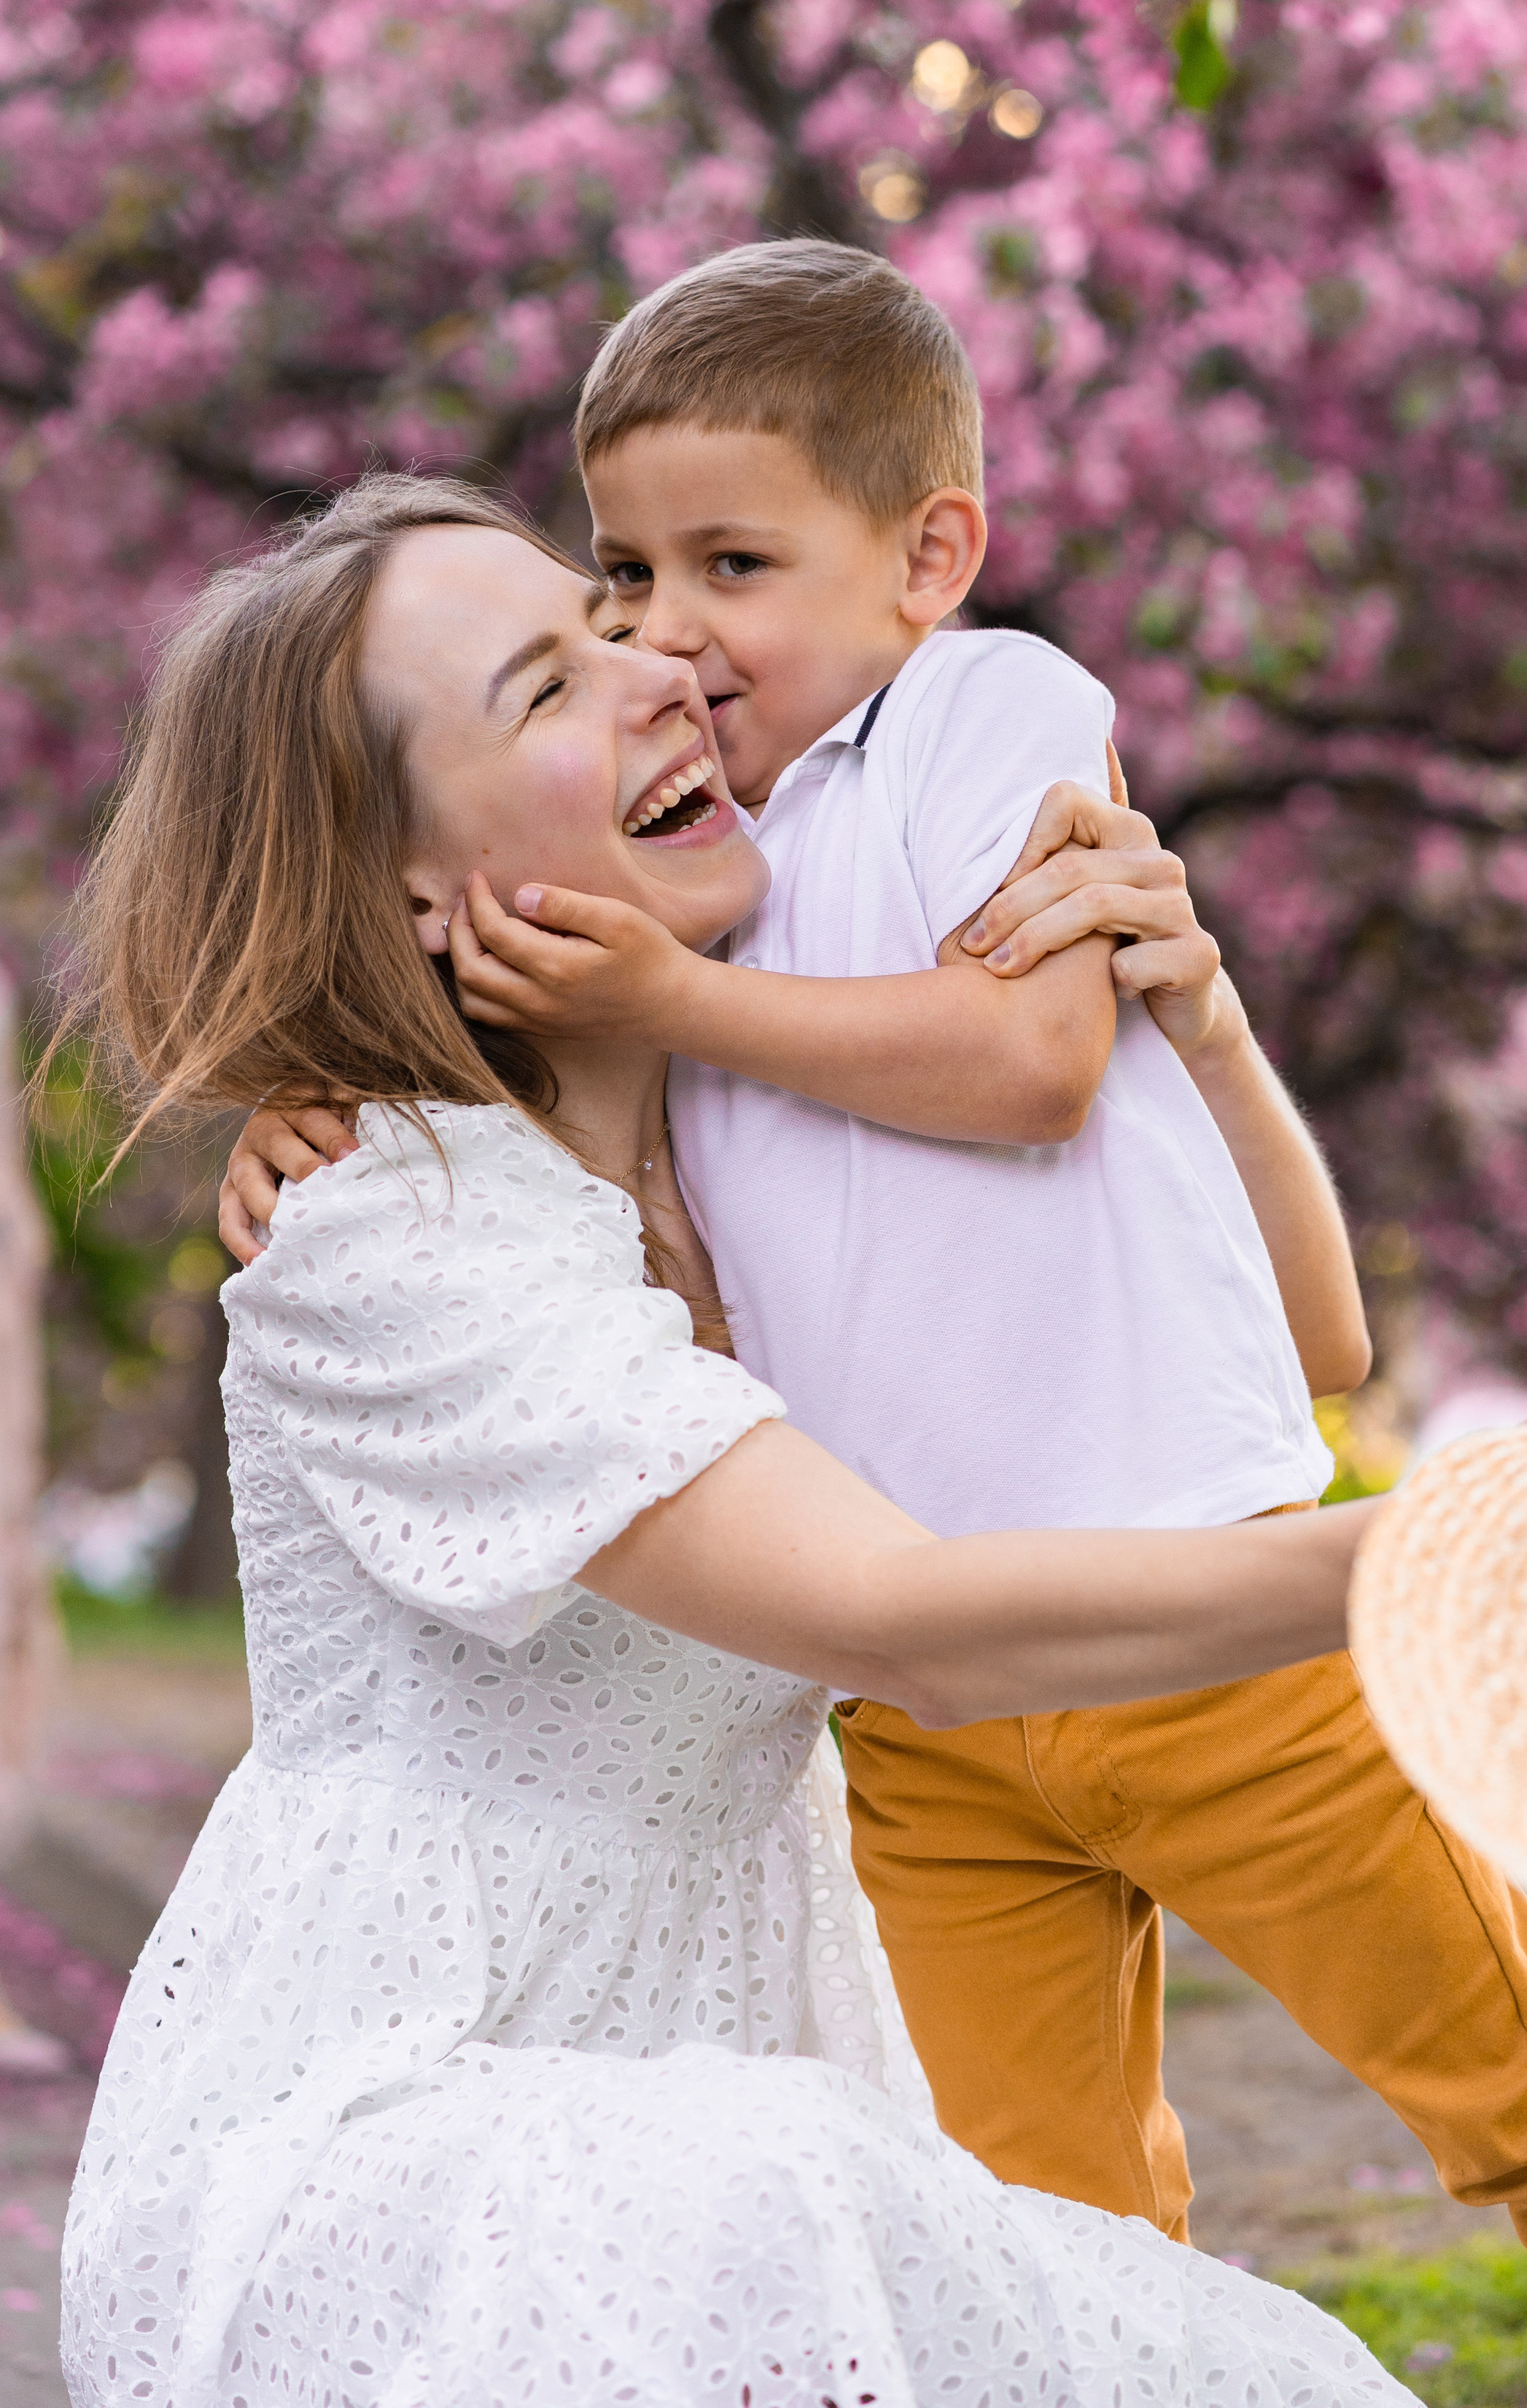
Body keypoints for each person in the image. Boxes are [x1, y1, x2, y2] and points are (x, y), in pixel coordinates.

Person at [220, 243, 1527, 2408]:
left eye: (734, 562)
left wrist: (689, 999)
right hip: (935, 1733)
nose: (669, 631)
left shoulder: (977, 721)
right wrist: (353, 1101)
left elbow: (1046, 1073)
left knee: (1515, 2098)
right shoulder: (721, 915)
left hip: (1220, 1646)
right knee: (1044, 2242)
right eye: (623, 577)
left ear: (930, 558)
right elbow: (610, 1232)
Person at [54, 478, 1423, 2407]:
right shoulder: (388, 1230)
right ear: (411, 897)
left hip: (738, 2124)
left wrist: (1195, 1023)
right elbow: (904, 1617)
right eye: (549, 685)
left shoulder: (775, 1140)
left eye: (611, 621)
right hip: (393, 2161)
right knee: (768, 2217)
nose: (664, 669)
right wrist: (1451, 1561)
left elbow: (1290, 1351)